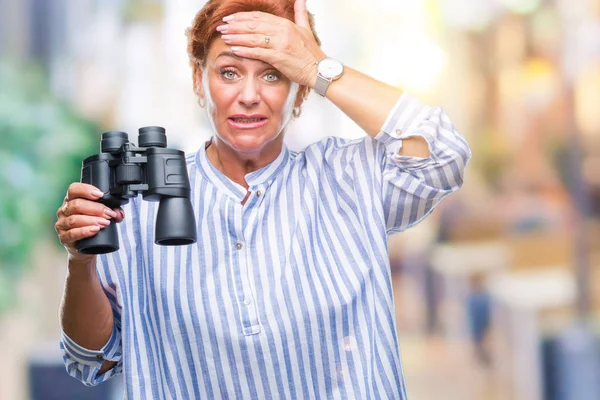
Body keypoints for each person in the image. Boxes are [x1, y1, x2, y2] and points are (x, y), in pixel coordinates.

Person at [54, 0, 471, 398]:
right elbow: (91, 359)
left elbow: (443, 154)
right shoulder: (144, 204)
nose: (249, 95)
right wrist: (81, 262)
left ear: (301, 92)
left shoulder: (348, 179)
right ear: (200, 81)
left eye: (273, 74)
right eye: (229, 73)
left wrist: (319, 67)